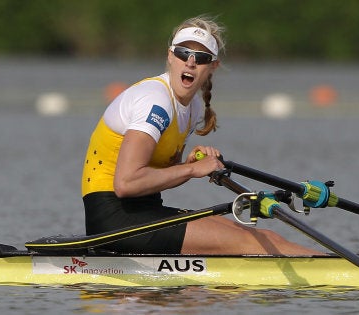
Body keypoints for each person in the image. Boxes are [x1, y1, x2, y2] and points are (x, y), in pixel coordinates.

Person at [81, 15, 321, 255]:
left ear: (212, 66)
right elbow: (126, 184)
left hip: (144, 212)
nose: (191, 62)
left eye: (202, 57)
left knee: (264, 237)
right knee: (251, 245)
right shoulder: (155, 101)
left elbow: (158, 176)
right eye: (183, 53)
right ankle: (336, 276)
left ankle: (330, 268)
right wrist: (192, 170)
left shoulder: (193, 108)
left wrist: (188, 164)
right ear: (170, 56)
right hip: (114, 220)